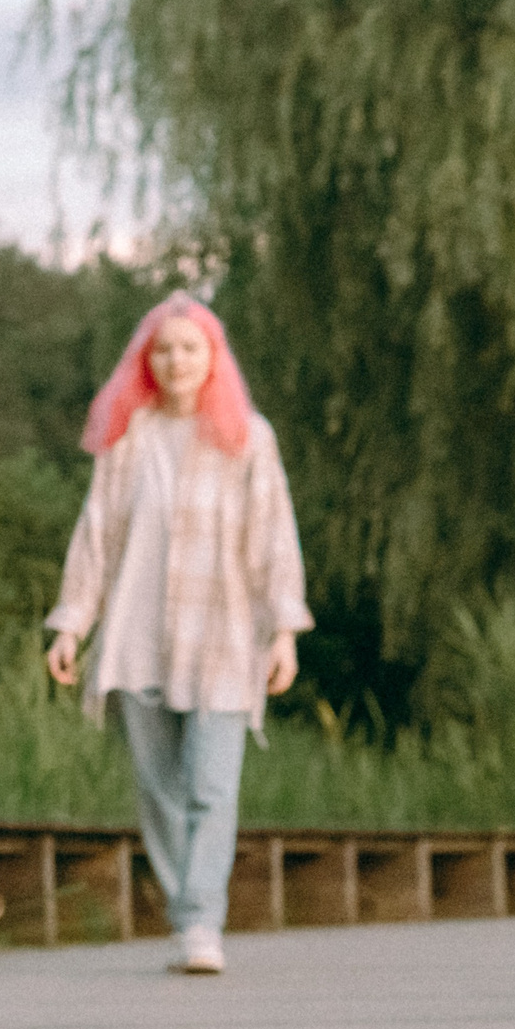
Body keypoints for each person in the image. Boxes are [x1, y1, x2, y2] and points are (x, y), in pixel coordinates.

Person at [44, 290, 311, 974]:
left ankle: (200, 922)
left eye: (191, 346)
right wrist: (72, 623)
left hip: (223, 636)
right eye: (164, 347)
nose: (176, 358)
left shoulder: (248, 437)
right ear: (147, 358)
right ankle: (188, 913)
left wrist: (283, 629)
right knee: (159, 787)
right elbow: (96, 534)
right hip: (138, 638)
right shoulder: (127, 437)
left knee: (211, 785)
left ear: (213, 356)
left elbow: (273, 536)